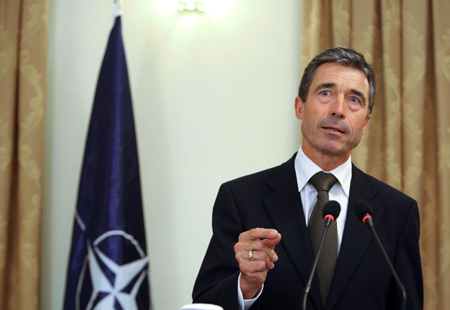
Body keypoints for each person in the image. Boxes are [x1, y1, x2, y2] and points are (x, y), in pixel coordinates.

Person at [192, 47, 423, 309]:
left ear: (366, 122)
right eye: (326, 93)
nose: (338, 109)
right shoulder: (241, 199)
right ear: (299, 107)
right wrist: (246, 285)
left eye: (354, 100)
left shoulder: (397, 212)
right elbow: (205, 303)